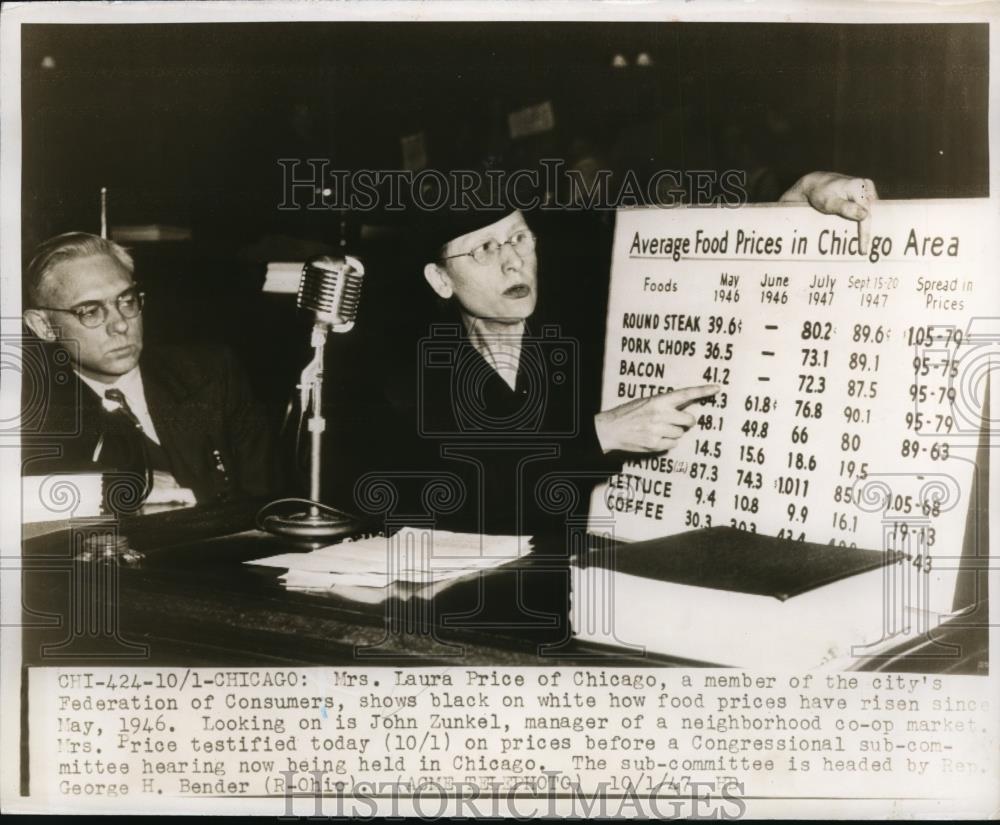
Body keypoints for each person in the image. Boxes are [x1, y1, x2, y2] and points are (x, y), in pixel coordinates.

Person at [347, 171, 878, 537]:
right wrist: (602, 434)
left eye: (519, 239)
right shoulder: (407, 373)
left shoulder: (585, 332)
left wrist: (807, 189)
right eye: (486, 249)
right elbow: (468, 491)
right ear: (441, 279)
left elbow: (722, 275)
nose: (513, 264)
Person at [21, 232, 277, 505]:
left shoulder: (211, 374)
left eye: (126, 301)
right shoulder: (30, 413)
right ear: (43, 326)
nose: (120, 325)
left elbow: (269, 497)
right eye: (90, 311)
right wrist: (118, 488)